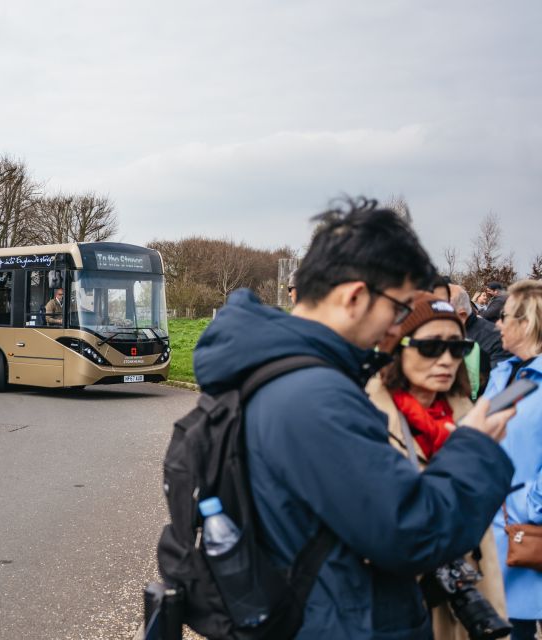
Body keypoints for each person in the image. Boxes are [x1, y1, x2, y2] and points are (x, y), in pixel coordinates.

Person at [193, 198, 515, 639]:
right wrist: (474, 446)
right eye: (400, 309)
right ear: (356, 296)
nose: (397, 326)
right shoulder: (315, 396)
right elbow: (411, 534)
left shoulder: (280, 372)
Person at [366, 292, 507, 639]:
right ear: (397, 346)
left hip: (471, 606)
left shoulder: (467, 417)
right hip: (400, 612)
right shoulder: (364, 418)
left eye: (457, 347)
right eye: (430, 347)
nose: (446, 359)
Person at [488, 279, 542, 640]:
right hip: (493, 543)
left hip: (529, 535)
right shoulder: (502, 374)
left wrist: (524, 505)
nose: (497, 324)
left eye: (504, 316)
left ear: (526, 322)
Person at [449, 283, 511, 399]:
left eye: (444, 315)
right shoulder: (444, 334)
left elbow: (498, 388)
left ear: (461, 315)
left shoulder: (495, 338)